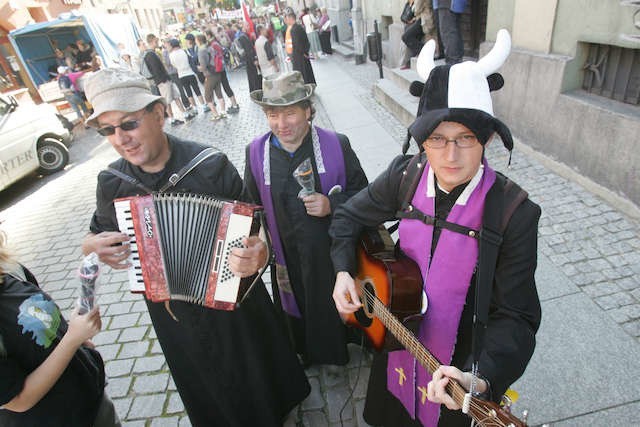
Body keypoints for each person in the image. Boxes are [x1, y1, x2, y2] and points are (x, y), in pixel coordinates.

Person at [331, 31, 541, 426]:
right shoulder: (405, 176)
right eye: (437, 139)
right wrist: (344, 270)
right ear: (422, 139)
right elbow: (347, 218)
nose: (450, 155)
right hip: (395, 340)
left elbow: (517, 317)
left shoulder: (514, 213)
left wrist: (479, 380)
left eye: (465, 138)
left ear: (488, 137)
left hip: (456, 370)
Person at [80, 68, 310, 426]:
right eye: (108, 130)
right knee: (205, 379)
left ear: (159, 113)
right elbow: (96, 235)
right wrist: (94, 246)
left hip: (235, 302)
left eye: (128, 123)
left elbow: (258, 226)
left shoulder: (209, 164)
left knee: (257, 370)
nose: (120, 138)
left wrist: (260, 252)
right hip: (171, 310)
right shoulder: (112, 183)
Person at [245, 71, 368, 367]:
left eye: (290, 113)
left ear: (308, 110)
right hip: (285, 255)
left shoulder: (337, 145)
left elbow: (364, 194)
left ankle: (336, 349)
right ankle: (303, 350)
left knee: (329, 300)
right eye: (273, 115)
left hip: (329, 254)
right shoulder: (255, 153)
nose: (281, 124)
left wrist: (331, 203)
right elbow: (251, 206)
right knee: (295, 304)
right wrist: (256, 244)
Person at [0, 231, 120, 427]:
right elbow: (19, 400)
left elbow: (37, 315)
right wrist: (71, 340)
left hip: (92, 400)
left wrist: (74, 337)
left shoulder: (9, 268)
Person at [140, 34, 193, 126]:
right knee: (167, 101)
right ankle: (172, 119)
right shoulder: (150, 54)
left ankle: (185, 114)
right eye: (156, 41)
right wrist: (163, 80)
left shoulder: (152, 53)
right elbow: (156, 70)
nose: (158, 43)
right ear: (153, 41)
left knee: (176, 96)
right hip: (162, 81)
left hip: (165, 79)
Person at [168, 38, 208, 114]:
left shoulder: (171, 55)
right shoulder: (184, 51)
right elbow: (191, 60)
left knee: (188, 92)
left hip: (181, 75)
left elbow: (173, 65)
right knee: (197, 90)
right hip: (190, 72)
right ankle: (203, 105)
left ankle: (195, 108)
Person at [401, 0, 437, 69]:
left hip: (424, 20)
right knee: (408, 35)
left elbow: (417, 9)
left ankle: (425, 51)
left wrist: (413, 6)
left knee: (406, 37)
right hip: (420, 19)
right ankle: (410, 60)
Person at [284, 9, 316, 85]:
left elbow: (297, 44)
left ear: (291, 18)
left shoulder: (293, 29)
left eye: (287, 19)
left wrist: (303, 52)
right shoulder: (299, 27)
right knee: (307, 72)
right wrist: (306, 51)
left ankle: (306, 86)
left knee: (302, 74)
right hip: (303, 54)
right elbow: (306, 41)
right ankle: (310, 84)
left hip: (299, 56)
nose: (286, 21)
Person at [433, 0, 467, 64]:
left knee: (448, 32)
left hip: (447, 3)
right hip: (450, 4)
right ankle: (456, 60)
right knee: (452, 30)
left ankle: (452, 61)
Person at [236, 22, 262, 92]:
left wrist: (253, 39)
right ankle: (255, 90)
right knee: (253, 76)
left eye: (249, 25)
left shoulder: (246, 35)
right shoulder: (243, 37)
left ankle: (255, 90)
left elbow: (251, 47)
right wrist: (254, 59)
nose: (249, 27)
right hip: (250, 60)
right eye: (247, 26)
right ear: (243, 27)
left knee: (253, 76)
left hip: (250, 59)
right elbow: (248, 50)